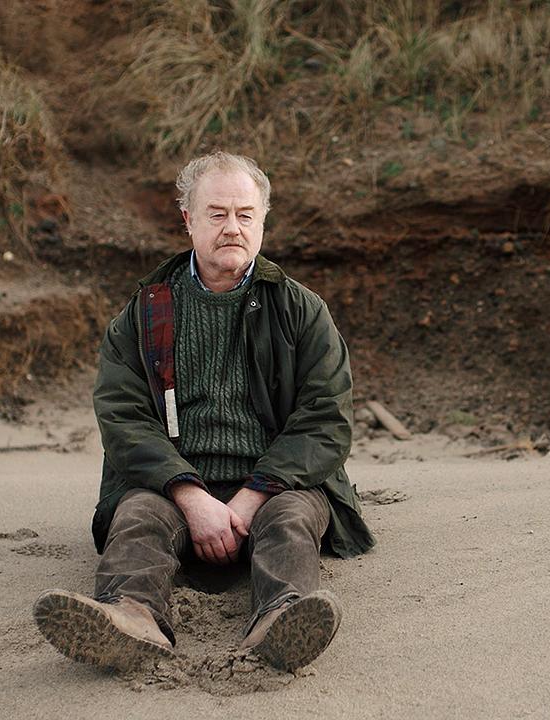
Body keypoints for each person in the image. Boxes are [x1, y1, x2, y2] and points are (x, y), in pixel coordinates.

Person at [33, 151, 374, 673]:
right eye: (216, 214)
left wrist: (250, 497)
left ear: (262, 221)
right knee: (139, 517)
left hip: (275, 486)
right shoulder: (144, 313)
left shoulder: (302, 311)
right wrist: (191, 498)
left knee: (292, 521)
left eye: (245, 214)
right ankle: (130, 616)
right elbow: (123, 419)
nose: (232, 228)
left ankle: (281, 619)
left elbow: (326, 420)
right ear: (188, 219)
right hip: (170, 486)